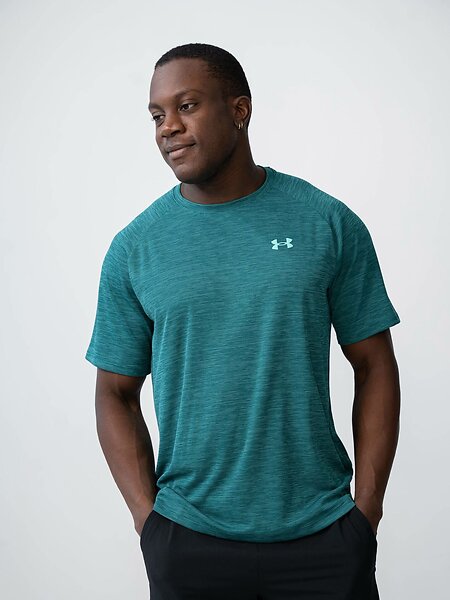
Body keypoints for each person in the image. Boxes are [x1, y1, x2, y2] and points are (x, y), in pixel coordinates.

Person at [85, 42, 401, 600]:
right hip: (188, 540)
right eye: (157, 115)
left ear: (239, 110)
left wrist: (366, 511)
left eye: (186, 106)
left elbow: (375, 365)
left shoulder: (326, 222)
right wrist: (148, 521)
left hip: (324, 537)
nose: (168, 127)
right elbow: (114, 392)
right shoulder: (135, 248)